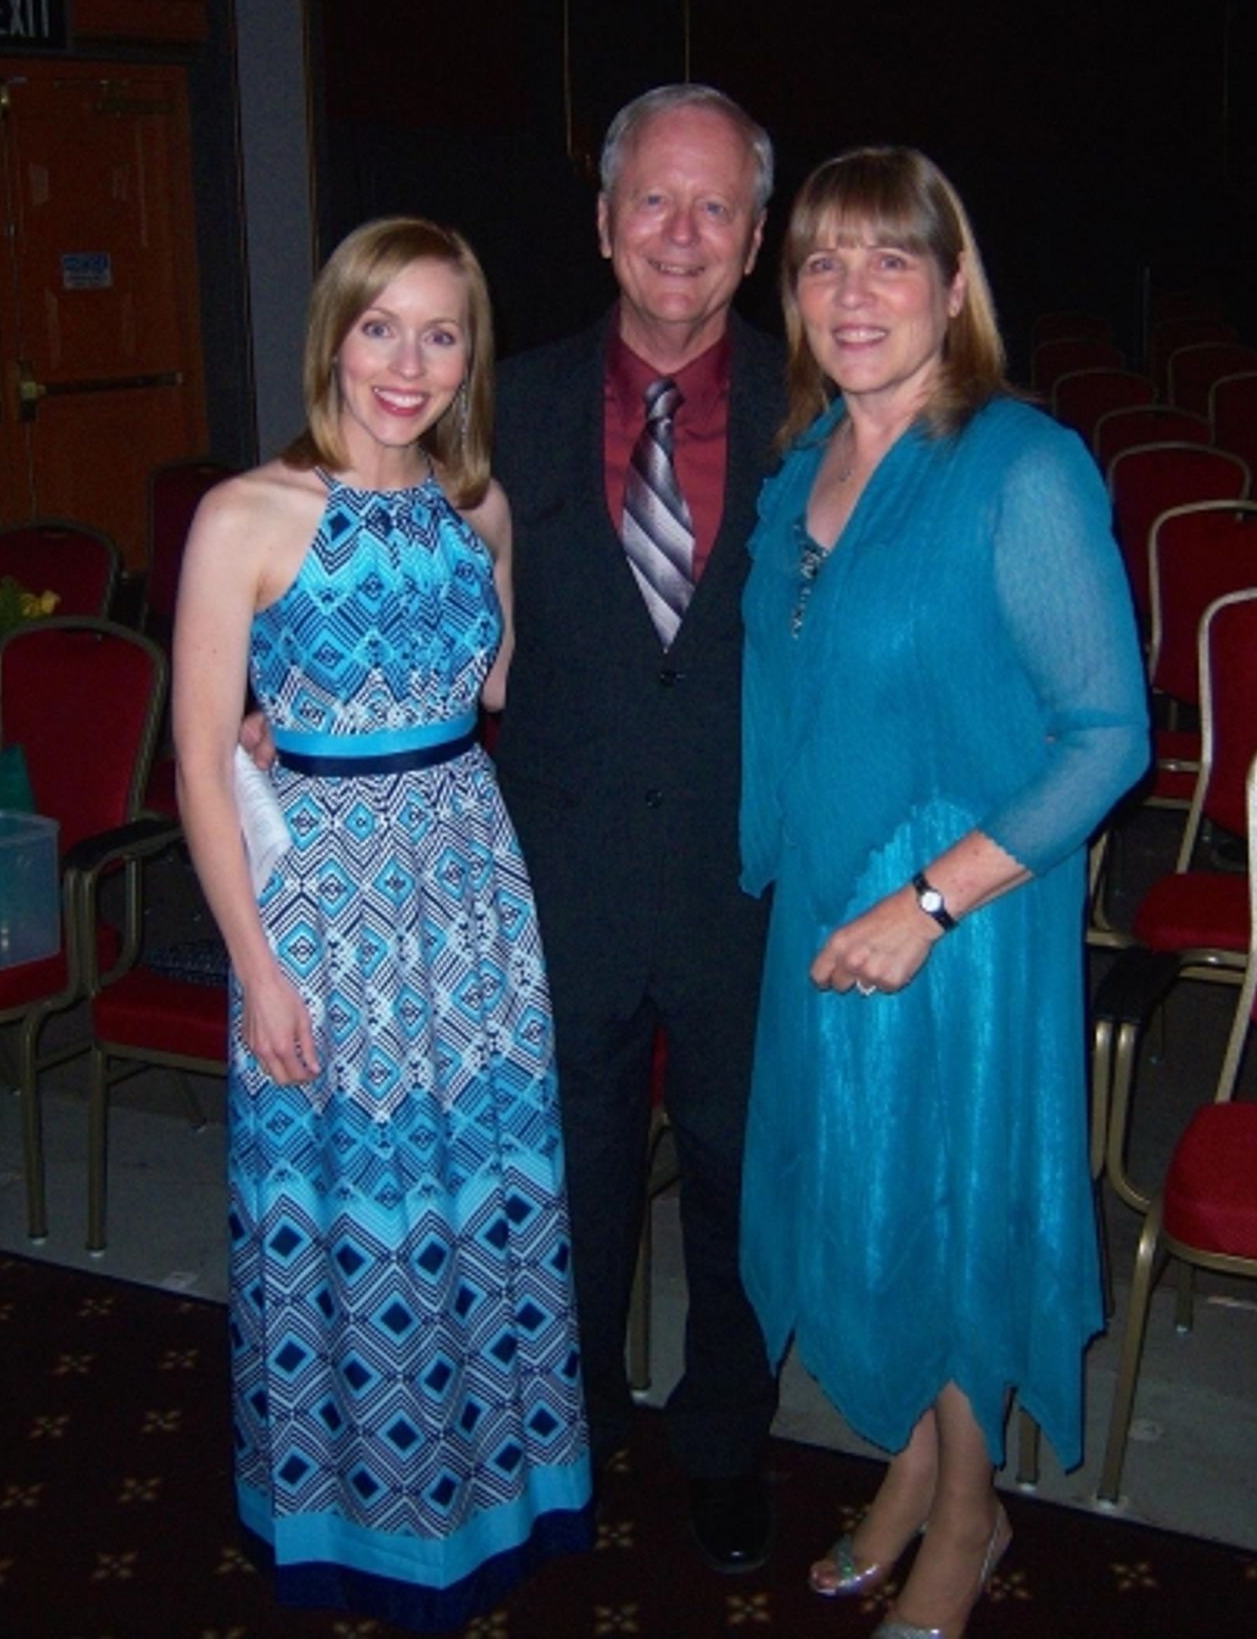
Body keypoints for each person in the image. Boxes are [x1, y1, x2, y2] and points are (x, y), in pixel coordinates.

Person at [738, 148, 1149, 1638]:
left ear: (955, 286)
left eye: (889, 260)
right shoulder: (800, 470)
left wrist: (927, 906)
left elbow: (1109, 736)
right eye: (822, 265)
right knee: (854, 1204)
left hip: (957, 921)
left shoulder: (1019, 466)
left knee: (954, 1206)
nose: (853, 295)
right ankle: (909, 1466)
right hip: (822, 904)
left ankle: (972, 1513)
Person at [175, 217, 591, 1632]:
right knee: (349, 1206)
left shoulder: (482, 514)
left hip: (469, 892)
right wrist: (256, 967)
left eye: (442, 332)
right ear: (332, 336)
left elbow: (489, 692)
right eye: (379, 327)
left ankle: (495, 1490)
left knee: (476, 1193)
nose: (407, 364)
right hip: (320, 918)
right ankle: (350, 1512)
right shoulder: (246, 514)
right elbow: (194, 766)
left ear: (472, 354)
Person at [491, 84, 784, 1571]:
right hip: (560, 875)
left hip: (753, 881)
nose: (681, 234)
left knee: (740, 1178)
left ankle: (727, 1443)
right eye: (652, 202)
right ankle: (576, 1425)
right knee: (574, 1176)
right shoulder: (501, 399)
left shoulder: (823, 413)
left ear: (753, 240)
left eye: (714, 206)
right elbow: (376, 548)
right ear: (603, 225)